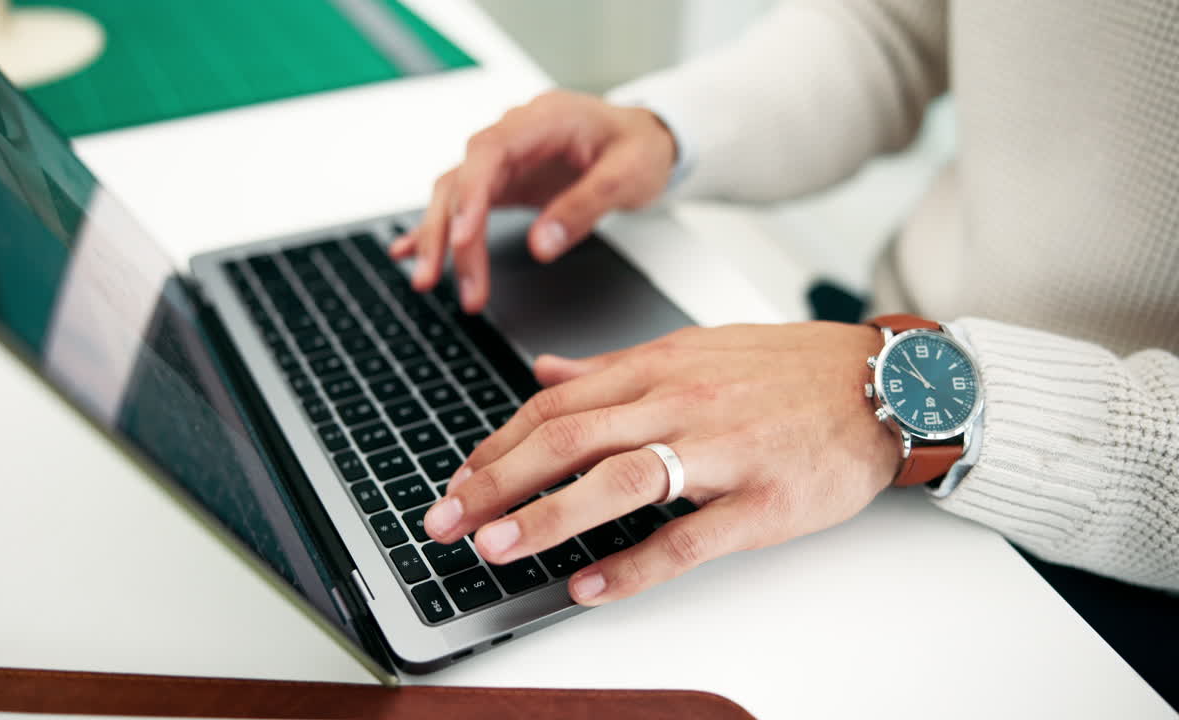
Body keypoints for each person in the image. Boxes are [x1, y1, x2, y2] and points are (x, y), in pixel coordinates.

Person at [406, 0, 1179, 608]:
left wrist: (931, 408)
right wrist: (666, 130)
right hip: (882, 347)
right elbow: (887, 30)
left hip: (1098, 541)